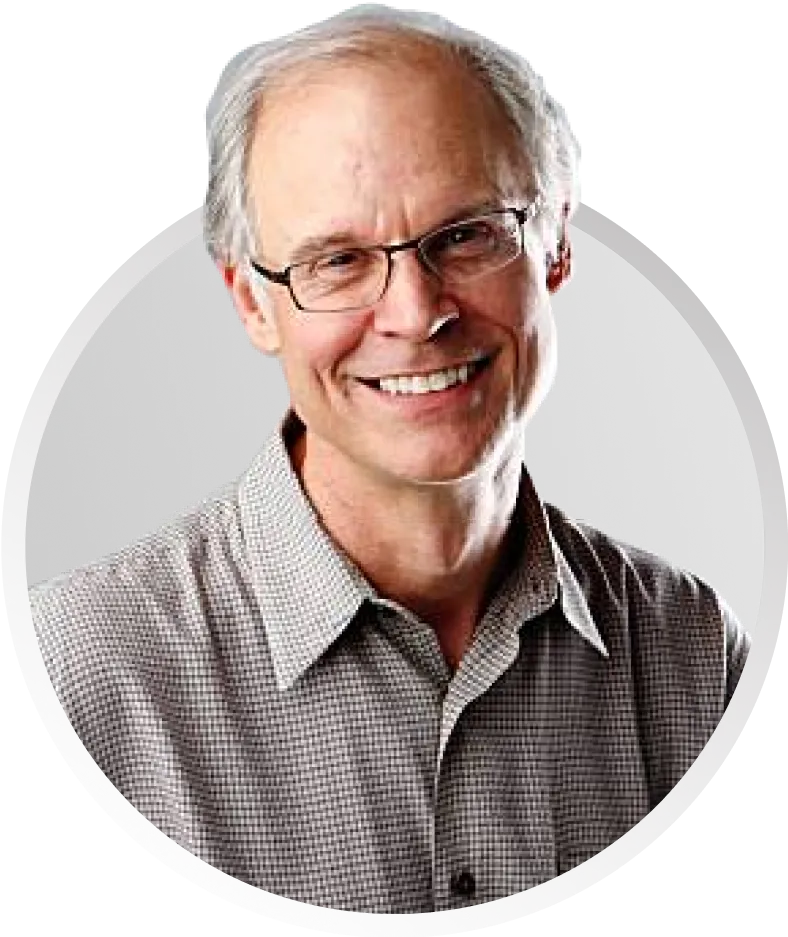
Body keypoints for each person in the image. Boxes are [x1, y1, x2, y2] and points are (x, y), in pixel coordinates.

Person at [29, 9, 751, 915]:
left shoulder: (692, 652)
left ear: (556, 241)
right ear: (252, 302)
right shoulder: (74, 674)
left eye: (467, 233)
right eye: (337, 260)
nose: (416, 313)